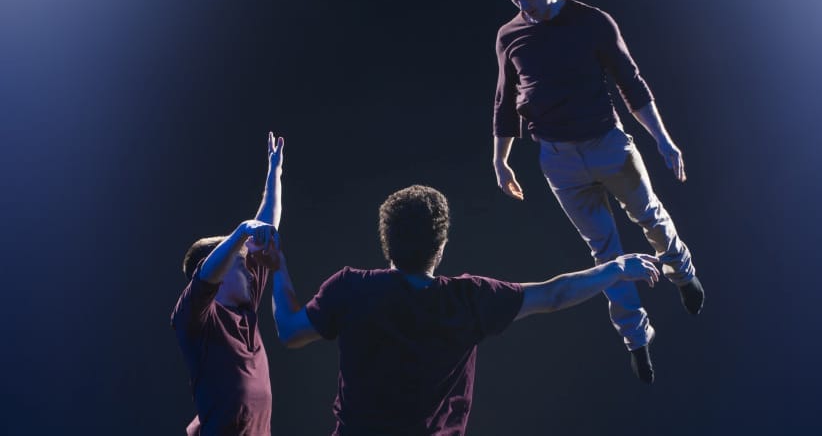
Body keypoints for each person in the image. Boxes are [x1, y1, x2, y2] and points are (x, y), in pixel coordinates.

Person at [265, 184, 659, 435]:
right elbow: (554, 295)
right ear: (441, 246)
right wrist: (614, 269)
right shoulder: (468, 299)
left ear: (387, 241)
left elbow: (289, 331)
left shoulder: (351, 288)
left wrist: (277, 266)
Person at [491, 0, 705, 384]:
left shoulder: (592, 22)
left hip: (608, 145)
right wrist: (501, 160)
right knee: (605, 251)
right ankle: (636, 339)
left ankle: (681, 271)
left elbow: (633, 85)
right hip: (558, 161)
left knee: (650, 217)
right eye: (515, 1)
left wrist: (664, 141)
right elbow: (504, 101)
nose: (525, 8)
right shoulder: (509, 36)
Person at [171, 132, 284, 435]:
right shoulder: (197, 320)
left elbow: (267, 223)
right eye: (240, 263)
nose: (250, 271)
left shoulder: (246, 307)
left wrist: (275, 172)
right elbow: (206, 275)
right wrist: (240, 233)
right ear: (219, 275)